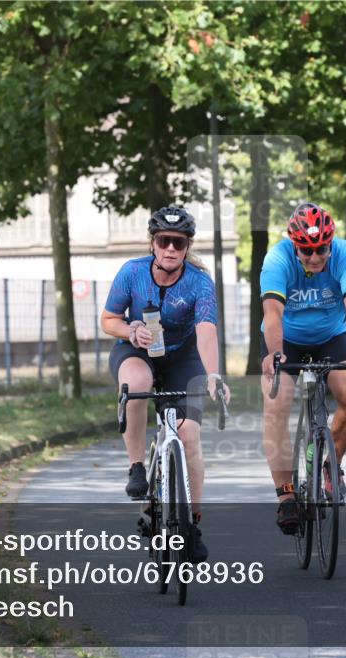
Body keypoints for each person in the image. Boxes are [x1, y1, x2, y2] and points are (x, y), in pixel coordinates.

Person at [100, 205, 229, 563]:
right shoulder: (132, 273)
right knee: (138, 382)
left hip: (181, 357)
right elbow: (108, 320)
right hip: (136, 350)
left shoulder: (199, 282)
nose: (171, 249)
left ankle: (191, 525)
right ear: (153, 243)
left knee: (189, 436)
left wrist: (214, 374)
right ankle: (137, 466)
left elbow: (206, 332)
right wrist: (131, 330)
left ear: (187, 246)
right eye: (164, 241)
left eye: (179, 242)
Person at [260, 202, 346, 534]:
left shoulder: (344, 255)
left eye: (320, 249)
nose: (314, 257)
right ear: (293, 244)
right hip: (287, 338)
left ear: (331, 242)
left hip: (330, 335)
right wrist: (275, 353)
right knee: (276, 402)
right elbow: (272, 314)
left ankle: (330, 464)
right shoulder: (277, 259)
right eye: (306, 250)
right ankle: (285, 497)